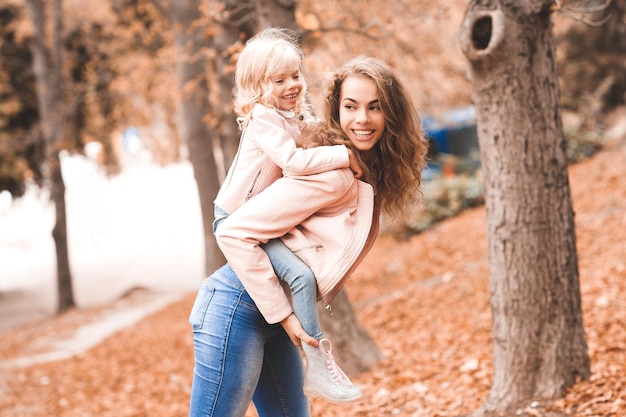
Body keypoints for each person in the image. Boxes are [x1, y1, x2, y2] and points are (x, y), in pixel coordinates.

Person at [188, 55, 428, 417]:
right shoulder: (332, 173)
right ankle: (319, 361)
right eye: (351, 106)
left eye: (375, 107)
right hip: (237, 308)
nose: (362, 118)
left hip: (270, 314)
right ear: (337, 109)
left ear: (392, 114)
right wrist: (286, 317)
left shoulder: (355, 170)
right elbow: (235, 231)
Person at [212, 27, 364, 404]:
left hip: (262, 219)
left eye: (295, 75)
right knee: (298, 275)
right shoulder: (264, 118)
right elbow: (294, 162)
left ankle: (317, 362)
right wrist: (346, 156)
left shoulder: (291, 118)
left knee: (303, 275)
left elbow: (315, 137)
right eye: (278, 80)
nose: (291, 85)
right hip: (234, 216)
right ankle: (317, 362)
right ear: (258, 87)